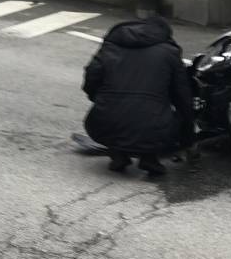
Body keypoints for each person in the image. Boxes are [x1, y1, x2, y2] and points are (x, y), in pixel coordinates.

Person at [82, 16, 194, 177]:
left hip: (105, 120)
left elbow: (91, 77)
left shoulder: (111, 45)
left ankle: (118, 153)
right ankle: (149, 157)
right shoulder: (170, 52)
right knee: (159, 117)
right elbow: (182, 95)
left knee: (116, 112)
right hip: (154, 125)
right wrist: (187, 134)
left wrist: (98, 98)